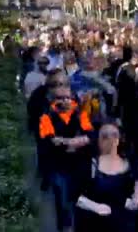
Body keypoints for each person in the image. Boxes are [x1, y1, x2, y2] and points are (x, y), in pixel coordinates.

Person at [38, 87, 94, 232]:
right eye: (60, 98)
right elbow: (51, 140)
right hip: (58, 167)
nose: (65, 101)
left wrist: (65, 142)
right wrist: (76, 141)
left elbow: (90, 136)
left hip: (79, 167)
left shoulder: (80, 114)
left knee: (80, 203)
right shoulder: (46, 117)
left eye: (68, 97)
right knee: (62, 204)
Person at [75, 124, 138, 232]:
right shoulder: (90, 165)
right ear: (100, 140)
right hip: (95, 225)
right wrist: (95, 207)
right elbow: (76, 197)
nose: (110, 141)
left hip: (122, 225)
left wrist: (137, 197)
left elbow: (137, 183)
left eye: (114, 136)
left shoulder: (130, 164)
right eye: (105, 137)